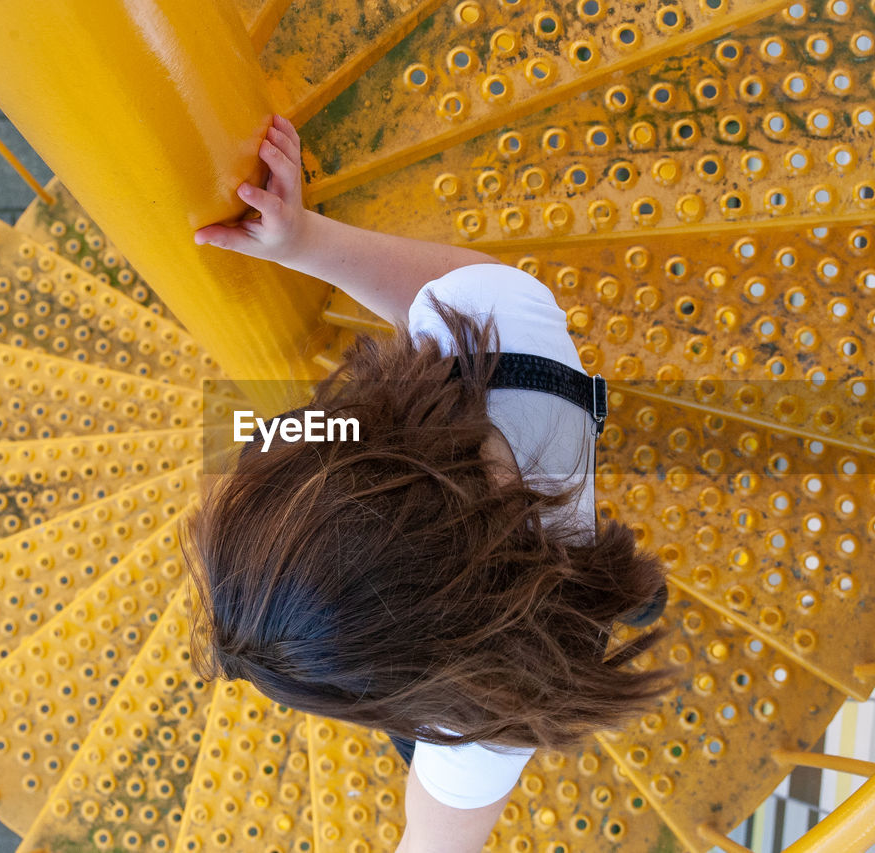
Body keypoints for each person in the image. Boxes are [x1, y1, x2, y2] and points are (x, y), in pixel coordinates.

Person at [186, 114, 672, 852]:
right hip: (518, 577)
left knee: (594, 587)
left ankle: (628, 588)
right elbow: (446, 295)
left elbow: (439, 836)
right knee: (593, 582)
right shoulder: (504, 324)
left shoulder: (485, 723)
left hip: (541, 608)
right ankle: (625, 587)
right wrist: (304, 241)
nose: (292, 429)